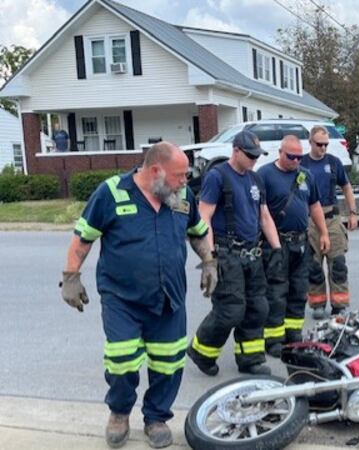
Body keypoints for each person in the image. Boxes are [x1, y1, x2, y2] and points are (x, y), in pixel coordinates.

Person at [60, 142, 215, 448]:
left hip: (169, 297)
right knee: (122, 361)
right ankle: (119, 414)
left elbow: (197, 231)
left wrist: (209, 261)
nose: (185, 181)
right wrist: (70, 277)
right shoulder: (111, 193)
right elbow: (83, 237)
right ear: (156, 171)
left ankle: (156, 418)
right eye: (179, 175)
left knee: (169, 362)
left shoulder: (182, 195)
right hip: (122, 299)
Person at [186, 130, 281, 377]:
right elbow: (204, 217)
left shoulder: (255, 179)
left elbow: (264, 216)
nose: (254, 160)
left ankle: (250, 359)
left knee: (258, 307)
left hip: (252, 254)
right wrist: (209, 258)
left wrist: (277, 249)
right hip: (227, 254)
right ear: (236, 150)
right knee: (231, 310)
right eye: (250, 155)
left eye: (257, 156)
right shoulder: (217, 177)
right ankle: (201, 351)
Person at [257, 135, 330, 357]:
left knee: (299, 290)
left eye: (299, 157)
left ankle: (293, 334)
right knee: (276, 292)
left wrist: (324, 233)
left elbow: (314, 205)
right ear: (280, 152)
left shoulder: (305, 175)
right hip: (276, 243)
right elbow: (260, 211)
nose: (296, 161)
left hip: (301, 242)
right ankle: (273, 339)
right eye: (291, 157)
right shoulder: (265, 175)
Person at [300, 126, 358, 320]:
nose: (323, 148)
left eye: (326, 144)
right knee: (313, 266)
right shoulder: (302, 164)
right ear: (310, 142)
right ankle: (317, 303)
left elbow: (347, 187)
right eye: (319, 144)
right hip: (310, 222)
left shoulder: (333, 163)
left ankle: (339, 305)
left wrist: (352, 213)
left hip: (332, 218)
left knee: (338, 264)